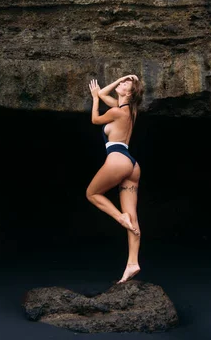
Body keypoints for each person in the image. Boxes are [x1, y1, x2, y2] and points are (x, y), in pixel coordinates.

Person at [86, 73, 144, 284]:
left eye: (126, 83)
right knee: (133, 217)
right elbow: (104, 93)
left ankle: (120, 218)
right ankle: (132, 263)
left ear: (129, 93)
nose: (121, 83)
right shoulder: (130, 111)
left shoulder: (116, 112)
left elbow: (94, 119)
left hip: (117, 159)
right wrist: (124, 77)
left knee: (92, 193)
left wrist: (94, 100)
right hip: (132, 165)